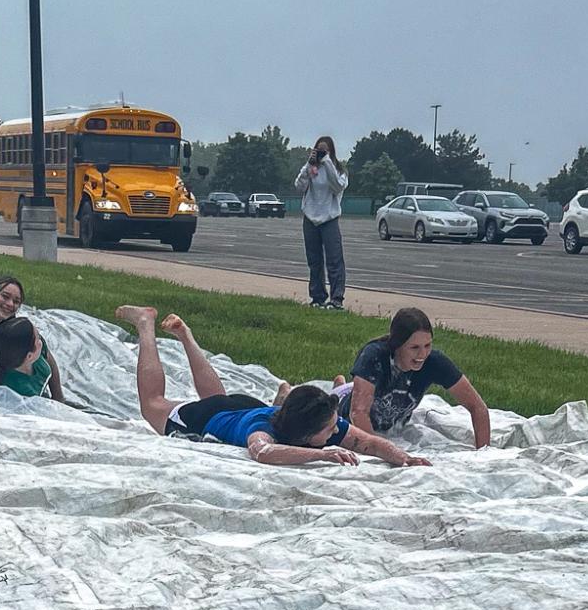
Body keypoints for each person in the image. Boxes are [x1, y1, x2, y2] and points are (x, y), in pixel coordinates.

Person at [117, 305, 426, 468]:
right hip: (209, 416)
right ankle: (146, 324)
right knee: (153, 404)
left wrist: (403, 457)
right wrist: (321, 455)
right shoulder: (262, 430)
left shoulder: (322, 421)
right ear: (305, 434)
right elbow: (263, 452)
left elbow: (368, 442)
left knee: (219, 398)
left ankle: (187, 337)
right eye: (329, 430)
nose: (336, 433)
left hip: (240, 406)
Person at [340, 306, 493, 448]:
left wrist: (483, 453)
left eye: (427, 346)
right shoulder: (374, 356)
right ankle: (340, 386)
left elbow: (478, 407)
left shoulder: (434, 362)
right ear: (397, 345)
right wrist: (381, 450)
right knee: (341, 395)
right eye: (414, 348)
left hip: (391, 425)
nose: (422, 355)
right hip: (347, 417)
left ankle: (342, 385)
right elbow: (358, 413)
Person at [294, 135, 349, 310]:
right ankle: (317, 296)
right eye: (319, 149)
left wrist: (327, 162)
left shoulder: (338, 170)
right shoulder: (311, 168)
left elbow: (337, 186)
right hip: (310, 217)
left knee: (334, 259)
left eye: (325, 150)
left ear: (331, 151)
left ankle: (336, 299)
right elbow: (299, 186)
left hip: (329, 218)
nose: (321, 153)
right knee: (314, 260)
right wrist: (309, 165)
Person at [0, 316, 68, 402]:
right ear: (29, 356)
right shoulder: (17, 390)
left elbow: (49, 359)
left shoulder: (35, 351)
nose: (41, 339)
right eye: (38, 337)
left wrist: (58, 397)